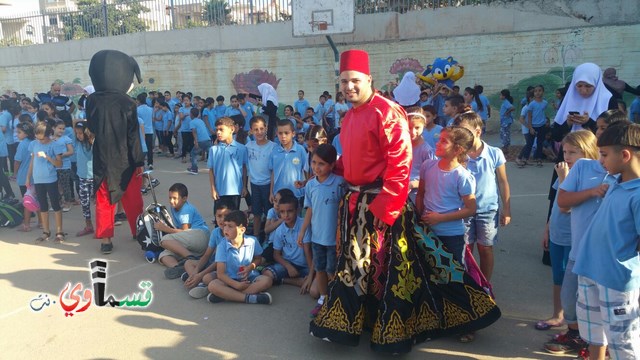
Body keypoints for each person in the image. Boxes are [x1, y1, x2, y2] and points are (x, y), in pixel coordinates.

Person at [310, 49, 500, 353]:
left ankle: (412, 324)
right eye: (344, 81)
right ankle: (354, 321)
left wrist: (386, 210)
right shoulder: (348, 117)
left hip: (382, 204)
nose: (349, 86)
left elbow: (400, 162)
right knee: (360, 266)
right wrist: (331, 168)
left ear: (368, 79)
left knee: (394, 270)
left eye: (355, 80)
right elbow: (353, 160)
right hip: (355, 202)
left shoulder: (387, 111)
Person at [573, 123, 640, 360]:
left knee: (623, 341)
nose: (600, 161)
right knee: (594, 334)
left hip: (616, 281)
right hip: (589, 270)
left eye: (604, 154)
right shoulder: (614, 181)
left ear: (624, 155)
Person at [539, 130, 603, 356]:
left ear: (588, 151)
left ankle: (587, 341)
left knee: (585, 298)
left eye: (572, 152)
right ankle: (575, 332)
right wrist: (547, 227)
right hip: (563, 237)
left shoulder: (589, 171)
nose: (566, 156)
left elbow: (566, 206)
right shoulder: (569, 170)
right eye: (564, 151)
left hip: (580, 243)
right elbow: (558, 203)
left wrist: (567, 179)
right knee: (566, 290)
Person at [87, 49, 145, 255]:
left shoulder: (91, 100)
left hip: (102, 157)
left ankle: (106, 239)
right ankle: (138, 231)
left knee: (104, 199)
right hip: (126, 158)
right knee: (132, 198)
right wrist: (139, 161)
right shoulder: (128, 103)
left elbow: (92, 127)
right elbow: (133, 135)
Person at [453, 112, 512, 282]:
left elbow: (502, 182)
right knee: (466, 249)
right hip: (463, 211)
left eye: (464, 130)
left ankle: (485, 285)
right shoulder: (459, 154)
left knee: (485, 248)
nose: (460, 134)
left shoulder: (494, 153)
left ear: (478, 131)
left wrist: (506, 210)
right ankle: (468, 283)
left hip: (488, 210)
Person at [416, 126, 477, 264]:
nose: (437, 143)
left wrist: (440, 218)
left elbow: (471, 209)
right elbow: (420, 195)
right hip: (427, 231)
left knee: (452, 276)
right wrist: (419, 220)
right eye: (439, 139)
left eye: (444, 141)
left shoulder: (462, 176)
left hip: (451, 235)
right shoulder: (427, 166)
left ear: (458, 149)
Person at [297, 144, 344, 316]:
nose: (316, 167)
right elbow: (309, 209)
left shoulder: (340, 183)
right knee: (321, 269)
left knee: (333, 270)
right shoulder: (310, 185)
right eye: (314, 162)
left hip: (334, 240)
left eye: (322, 164)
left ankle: (336, 300)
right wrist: (302, 231)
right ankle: (323, 299)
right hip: (317, 238)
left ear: (332, 165)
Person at [206, 210, 273, 305]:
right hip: (229, 281)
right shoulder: (222, 245)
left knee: (267, 280)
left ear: (242, 230)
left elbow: (258, 259)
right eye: (225, 225)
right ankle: (250, 298)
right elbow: (220, 274)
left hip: (248, 278)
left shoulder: (252, 241)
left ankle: (227, 295)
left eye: (230, 226)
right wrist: (237, 285)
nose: (225, 229)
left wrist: (250, 267)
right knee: (213, 285)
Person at [156, 183, 210, 280]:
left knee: (164, 240)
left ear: (184, 198)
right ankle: (178, 268)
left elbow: (185, 231)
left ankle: (192, 259)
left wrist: (165, 228)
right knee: (164, 255)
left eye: (175, 198)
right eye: (170, 198)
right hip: (191, 242)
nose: (171, 201)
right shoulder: (174, 207)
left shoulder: (186, 209)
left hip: (199, 235)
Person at [183, 203, 234, 299]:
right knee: (188, 263)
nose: (222, 220)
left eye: (226, 216)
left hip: (224, 266)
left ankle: (203, 283)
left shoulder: (231, 234)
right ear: (215, 217)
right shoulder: (215, 232)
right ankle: (197, 281)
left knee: (206, 278)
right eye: (219, 216)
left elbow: (218, 262)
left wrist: (200, 274)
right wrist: (195, 272)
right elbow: (207, 255)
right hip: (213, 261)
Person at [262, 193, 313, 289]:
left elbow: (308, 252)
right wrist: (288, 266)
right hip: (288, 264)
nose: (286, 215)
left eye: (290, 211)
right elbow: (276, 254)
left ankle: (287, 280)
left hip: (305, 265)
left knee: (314, 285)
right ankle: (290, 280)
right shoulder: (280, 230)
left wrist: (311, 274)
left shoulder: (304, 226)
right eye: (282, 212)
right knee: (266, 274)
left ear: (297, 210)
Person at [26, 121, 65, 243]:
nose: (40, 141)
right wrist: (28, 177)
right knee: (42, 206)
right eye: (38, 138)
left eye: (42, 139)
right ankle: (46, 231)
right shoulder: (33, 144)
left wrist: (47, 157)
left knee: (55, 205)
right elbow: (32, 161)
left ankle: (59, 232)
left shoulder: (54, 145)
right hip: (38, 179)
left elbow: (59, 164)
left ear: (49, 135)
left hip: (50, 179)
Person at [208, 116, 248, 213]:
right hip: (220, 191)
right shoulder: (214, 149)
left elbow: (244, 169)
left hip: (235, 191)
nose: (218, 132)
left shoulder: (242, 148)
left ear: (232, 129)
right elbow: (211, 170)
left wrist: (244, 186)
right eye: (217, 130)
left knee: (233, 218)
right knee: (220, 219)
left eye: (221, 129)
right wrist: (213, 189)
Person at [246, 116, 275, 237]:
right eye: (256, 129)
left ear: (266, 128)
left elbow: (274, 170)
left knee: (270, 214)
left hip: (268, 185)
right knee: (256, 214)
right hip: (255, 185)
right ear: (251, 130)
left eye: (262, 128)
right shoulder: (248, 146)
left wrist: (272, 191)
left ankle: (270, 239)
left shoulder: (273, 147)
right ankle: (256, 238)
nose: (259, 132)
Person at [269, 119, 308, 205]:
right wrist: (271, 192)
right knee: (280, 217)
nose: (283, 136)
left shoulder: (300, 150)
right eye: (280, 133)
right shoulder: (274, 151)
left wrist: (307, 188)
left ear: (293, 134)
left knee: (296, 217)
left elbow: (306, 170)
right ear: (276, 134)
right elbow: (273, 173)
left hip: (296, 193)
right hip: (278, 194)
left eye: (286, 133)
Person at [406, 106, 435, 203]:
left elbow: (432, 178)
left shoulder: (427, 151)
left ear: (424, 125)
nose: (413, 132)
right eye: (409, 127)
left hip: (417, 196)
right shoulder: (401, 146)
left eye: (417, 127)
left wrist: (412, 184)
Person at [73, 121, 95, 237]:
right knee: (85, 203)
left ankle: (103, 226)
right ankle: (89, 226)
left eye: (81, 133)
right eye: (77, 133)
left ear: (87, 133)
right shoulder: (78, 143)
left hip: (95, 178)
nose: (78, 135)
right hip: (82, 177)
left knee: (100, 204)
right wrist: (80, 124)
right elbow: (74, 122)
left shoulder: (93, 143)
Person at [13, 121, 35, 232]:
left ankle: (26, 225)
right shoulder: (34, 142)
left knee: (26, 201)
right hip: (35, 176)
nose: (17, 134)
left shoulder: (22, 144)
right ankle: (41, 223)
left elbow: (17, 161)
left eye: (19, 132)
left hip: (24, 177)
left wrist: (14, 173)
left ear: (26, 133)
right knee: (37, 199)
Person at [521, 85, 549, 167]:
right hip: (533, 126)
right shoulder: (531, 104)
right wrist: (530, 128)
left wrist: (545, 122)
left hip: (542, 126)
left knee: (540, 143)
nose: (538, 93)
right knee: (529, 143)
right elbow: (529, 116)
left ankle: (539, 159)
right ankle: (525, 158)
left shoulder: (545, 103)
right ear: (534, 93)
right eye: (536, 91)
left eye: (540, 90)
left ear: (543, 92)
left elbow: (542, 113)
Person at [52, 120, 75, 212]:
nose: (61, 130)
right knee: (55, 185)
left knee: (65, 185)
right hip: (54, 166)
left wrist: (62, 154)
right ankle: (58, 202)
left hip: (64, 166)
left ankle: (67, 202)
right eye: (59, 128)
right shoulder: (50, 139)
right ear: (53, 128)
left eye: (63, 129)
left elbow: (71, 151)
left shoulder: (66, 139)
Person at [187, 107, 212, 175]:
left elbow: (194, 132)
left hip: (201, 140)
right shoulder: (201, 121)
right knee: (211, 154)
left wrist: (196, 142)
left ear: (191, 114)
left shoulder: (192, 122)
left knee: (193, 153)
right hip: (208, 139)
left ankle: (194, 169)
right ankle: (216, 168)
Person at [137, 93, 154, 169]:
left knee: (141, 147)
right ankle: (150, 163)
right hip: (149, 130)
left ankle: (141, 162)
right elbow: (152, 119)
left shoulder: (137, 109)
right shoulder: (151, 109)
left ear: (138, 100)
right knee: (149, 148)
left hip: (141, 131)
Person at [175, 94, 194, 164]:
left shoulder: (192, 108)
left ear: (190, 101)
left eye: (187, 100)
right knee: (185, 144)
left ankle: (192, 156)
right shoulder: (181, 109)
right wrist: (185, 115)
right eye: (184, 100)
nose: (185, 102)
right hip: (184, 129)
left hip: (192, 129)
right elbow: (181, 117)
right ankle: (184, 156)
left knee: (192, 143)